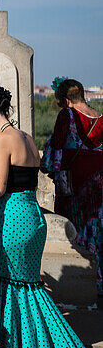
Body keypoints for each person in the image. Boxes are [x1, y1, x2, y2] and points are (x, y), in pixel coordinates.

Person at [0, 85, 103, 348]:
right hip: (32, 217)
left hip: (10, 220)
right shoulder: (27, 138)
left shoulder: (1, 140)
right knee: (28, 289)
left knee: (6, 288)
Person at [41, 76, 103, 298]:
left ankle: (81, 279)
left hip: (74, 181)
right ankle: (98, 278)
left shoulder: (67, 115)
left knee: (74, 226)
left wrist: (47, 167)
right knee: (96, 226)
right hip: (98, 181)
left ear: (66, 100)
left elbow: (56, 146)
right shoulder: (100, 117)